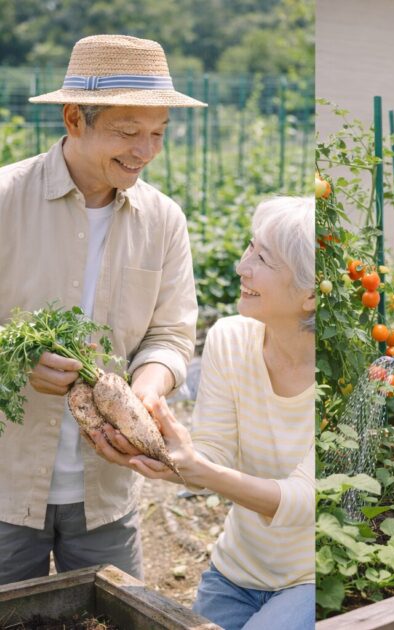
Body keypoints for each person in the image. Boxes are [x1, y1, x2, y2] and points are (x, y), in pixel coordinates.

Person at [0, 34, 202, 585]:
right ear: (73, 119)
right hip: (6, 486)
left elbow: (172, 333)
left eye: (157, 133)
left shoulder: (164, 221)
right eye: (127, 131)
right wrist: (15, 362)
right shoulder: (5, 199)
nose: (145, 150)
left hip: (107, 492)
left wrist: (149, 386)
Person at [90, 197, 316, 630]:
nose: (241, 267)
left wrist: (196, 469)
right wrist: (153, 450)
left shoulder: (337, 374)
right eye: (250, 248)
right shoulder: (230, 339)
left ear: (309, 295)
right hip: (237, 571)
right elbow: (213, 455)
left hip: (310, 577)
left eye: (262, 258)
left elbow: (305, 502)